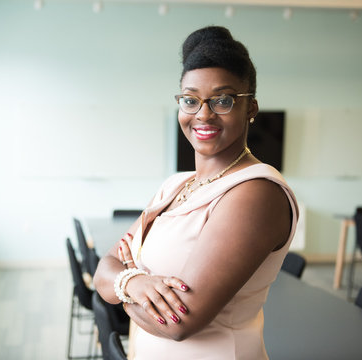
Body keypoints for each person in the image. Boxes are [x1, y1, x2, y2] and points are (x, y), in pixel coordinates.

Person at [93, 26, 298, 360]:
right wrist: (134, 283)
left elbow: (178, 323)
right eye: (190, 99)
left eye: (223, 100)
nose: (203, 113)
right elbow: (106, 265)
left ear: (251, 108)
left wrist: (122, 284)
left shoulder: (256, 192)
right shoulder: (174, 185)